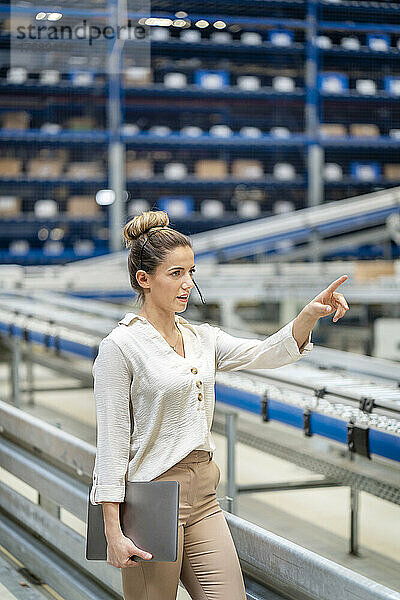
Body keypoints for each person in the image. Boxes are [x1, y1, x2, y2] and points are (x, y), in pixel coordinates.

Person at [89, 209, 349, 600]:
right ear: (144, 279)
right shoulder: (120, 347)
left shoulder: (202, 339)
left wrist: (308, 316)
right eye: (175, 274)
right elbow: (110, 444)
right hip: (153, 498)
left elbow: (265, 353)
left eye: (191, 272)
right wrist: (113, 529)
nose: (188, 284)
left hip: (204, 493)